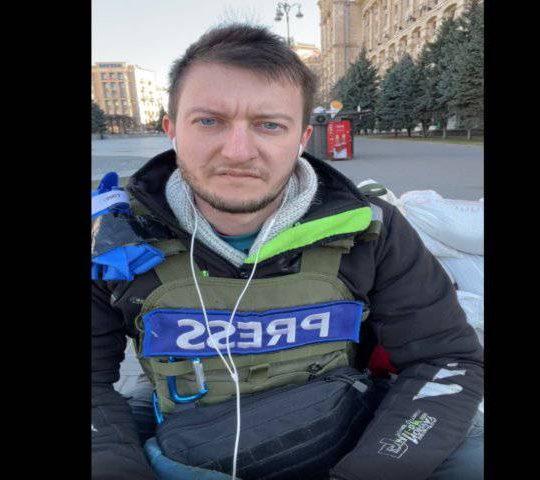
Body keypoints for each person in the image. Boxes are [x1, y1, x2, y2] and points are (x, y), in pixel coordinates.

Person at [91, 24, 483, 480]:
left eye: (269, 125)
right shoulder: (114, 238)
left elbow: (446, 359)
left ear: (301, 137)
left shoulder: (370, 228)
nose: (238, 152)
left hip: (339, 425)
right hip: (183, 428)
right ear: (172, 129)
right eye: (209, 121)